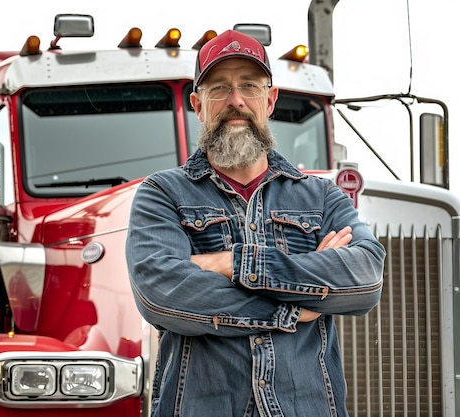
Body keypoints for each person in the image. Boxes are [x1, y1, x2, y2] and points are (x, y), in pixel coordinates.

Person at [125, 29, 386, 417]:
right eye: (219, 88)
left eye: (249, 84)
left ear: (270, 98)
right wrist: (294, 309)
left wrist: (232, 263)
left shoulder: (322, 196)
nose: (236, 100)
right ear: (198, 104)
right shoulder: (162, 194)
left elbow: (364, 280)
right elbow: (161, 293)